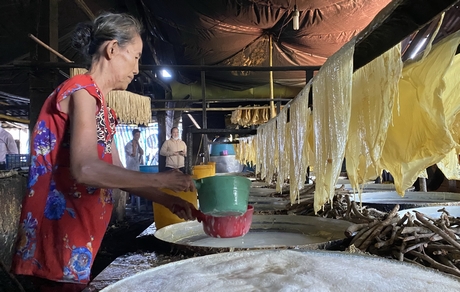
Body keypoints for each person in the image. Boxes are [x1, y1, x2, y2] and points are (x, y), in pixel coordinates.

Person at [11, 12, 196, 291]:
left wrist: (166, 199)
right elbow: (85, 169)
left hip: (80, 236)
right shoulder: (80, 90)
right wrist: (162, 179)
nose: (137, 68)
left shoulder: (106, 112)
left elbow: (119, 174)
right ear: (112, 49)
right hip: (58, 235)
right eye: (135, 56)